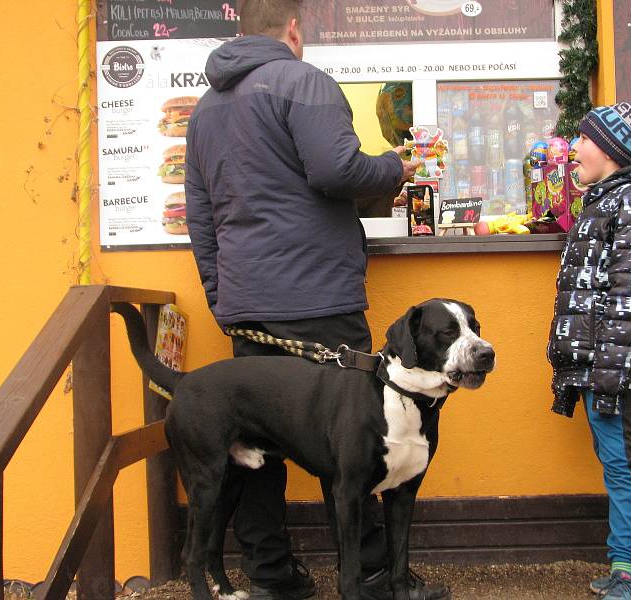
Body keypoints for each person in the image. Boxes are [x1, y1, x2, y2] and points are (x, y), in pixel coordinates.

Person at [184, 2, 449, 599]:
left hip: (250, 306)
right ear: (294, 30)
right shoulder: (304, 81)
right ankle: (377, 576)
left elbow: (201, 218)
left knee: (254, 453)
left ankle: (274, 578)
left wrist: (221, 296)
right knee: (360, 442)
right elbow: (337, 169)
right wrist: (395, 167)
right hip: (320, 300)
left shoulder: (204, 111)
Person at [546, 101, 631, 600]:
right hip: (601, 357)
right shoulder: (607, 199)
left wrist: (612, 367)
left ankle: (626, 570)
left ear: (610, 149)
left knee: (623, 464)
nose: (574, 148)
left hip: (615, 361)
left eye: (582, 140)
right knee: (626, 458)